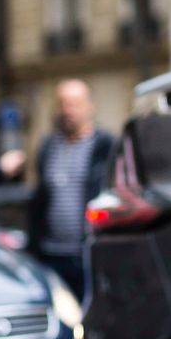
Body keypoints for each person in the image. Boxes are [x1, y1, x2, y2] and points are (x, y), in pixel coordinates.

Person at [27, 79, 113, 303]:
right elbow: (38, 200)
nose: (68, 111)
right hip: (51, 255)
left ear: (90, 106)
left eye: (74, 103)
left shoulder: (105, 146)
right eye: (63, 104)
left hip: (89, 253)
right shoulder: (48, 147)